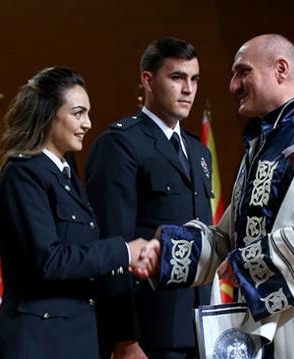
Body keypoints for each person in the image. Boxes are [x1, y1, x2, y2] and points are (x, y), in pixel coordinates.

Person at [140, 33, 294, 358]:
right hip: (260, 336)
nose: (233, 85)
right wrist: (167, 252)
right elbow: (230, 240)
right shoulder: (261, 146)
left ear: (281, 69)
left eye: (243, 72)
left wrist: (247, 263)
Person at [0, 66, 155, 359]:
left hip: (77, 339)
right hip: (38, 342)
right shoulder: (23, 173)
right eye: (78, 113)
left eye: (87, 113)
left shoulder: (65, 176)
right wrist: (123, 251)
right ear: (49, 114)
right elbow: (48, 261)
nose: (88, 123)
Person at [85, 37, 213, 358]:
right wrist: (124, 339)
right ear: (148, 80)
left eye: (194, 79)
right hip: (148, 334)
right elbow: (112, 247)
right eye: (177, 77)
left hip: (200, 329)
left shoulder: (199, 152)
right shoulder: (121, 144)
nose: (188, 89)